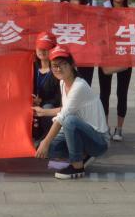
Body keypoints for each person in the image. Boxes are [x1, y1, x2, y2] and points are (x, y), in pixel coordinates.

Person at [34, 46, 110, 180]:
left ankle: (77, 166)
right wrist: (43, 112)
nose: (58, 69)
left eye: (63, 64)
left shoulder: (79, 86)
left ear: (72, 65)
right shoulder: (63, 83)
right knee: (47, 149)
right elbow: (65, 109)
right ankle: (83, 155)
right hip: (81, 132)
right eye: (55, 66)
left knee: (68, 121)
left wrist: (45, 142)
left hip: (98, 141)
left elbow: (63, 117)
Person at [98, 0, 133, 142]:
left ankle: (119, 128)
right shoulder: (102, 11)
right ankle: (105, 127)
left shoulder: (132, 12)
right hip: (106, 55)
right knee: (104, 93)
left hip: (125, 55)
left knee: (122, 92)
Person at [59, 0, 95, 85]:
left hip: (86, 55)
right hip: (66, 55)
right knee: (66, 88)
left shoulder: (91, 5)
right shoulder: (59, 6)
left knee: (84, 86)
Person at [30, 32, 62, 142]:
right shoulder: (31, 66)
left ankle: (48, 139)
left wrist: (41, 101)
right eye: (40, 48)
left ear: (53, 49)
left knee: (47, 107)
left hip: (50, 105)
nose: (42, 51)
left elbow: (59, 97)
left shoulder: (58, 70)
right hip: (32, 101)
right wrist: (31, 98)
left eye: (46, 48)